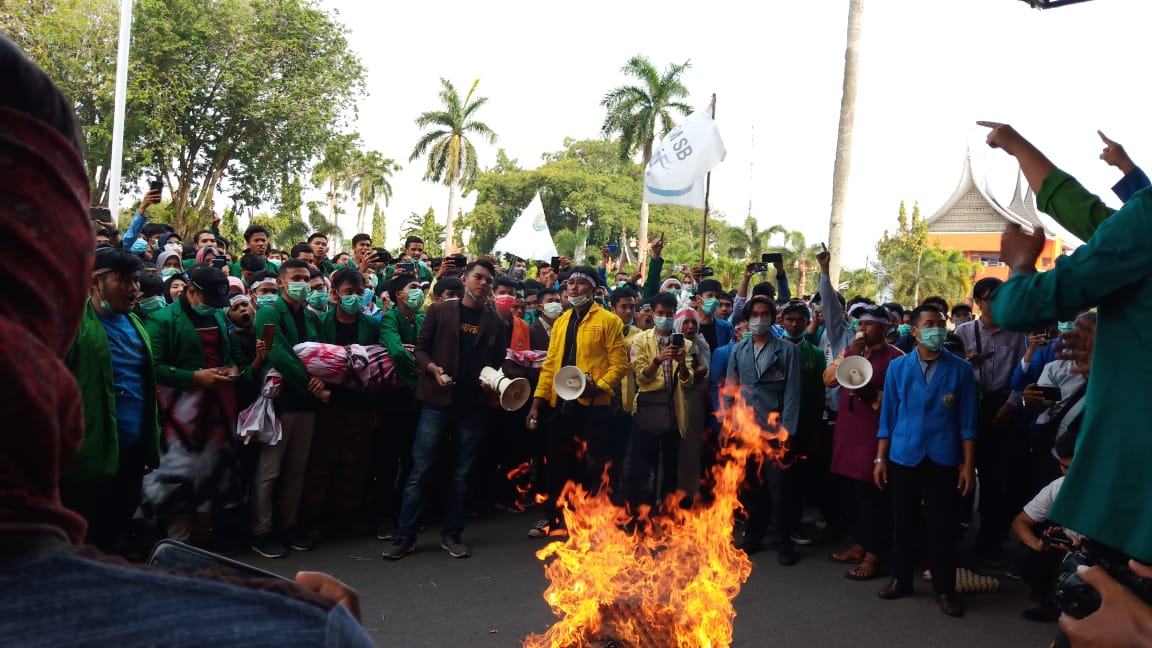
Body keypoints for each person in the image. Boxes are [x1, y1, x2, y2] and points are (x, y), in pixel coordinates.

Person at [980, 120, 1152, 576]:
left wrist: (1018, 265)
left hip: (1137, 476)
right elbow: (1097, 219)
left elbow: (1021, 308)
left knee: (1101, 609)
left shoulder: (1147, 218)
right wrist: (1018, 147)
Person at [382, 260, 505, 560]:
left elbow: (498, 359)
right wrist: (433, 368)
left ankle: (452, 534)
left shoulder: (496, 322)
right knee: (421, 469)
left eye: (489, 280)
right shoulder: (439, 311)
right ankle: (405, 535)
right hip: (436, 401)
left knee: (462, 474)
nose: (483, 283)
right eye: (478, 277)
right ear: (465, 279)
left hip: (473, 405)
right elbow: (420, 349)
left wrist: (493, 380)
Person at [874, 306, 977, 617]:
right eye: (929, 324)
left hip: (943, 457)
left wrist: (968, 465)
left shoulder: (960, 370)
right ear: (915, 331)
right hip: (904, 454)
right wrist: (880, 457)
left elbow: (968, 422)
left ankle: (945, 589)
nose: (937, 330)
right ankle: (901, 579)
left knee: (942, 525)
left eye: (940, 324)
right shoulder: (898, 368)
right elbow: (887, 416)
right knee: (902, 520)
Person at [61, 248, 161, 554]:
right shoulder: (73, 326)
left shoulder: (136, 324)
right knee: (87, 532)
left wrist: (148, 441)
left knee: (117, 523)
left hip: (131, 450)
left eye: (136, 281)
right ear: (95, 282)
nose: (134, 289)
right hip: (88, 452)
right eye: (124, 280)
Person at [141, 264, 244, 546]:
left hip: (216, 414)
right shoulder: (162, 320)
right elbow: (154, 367)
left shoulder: (219, 318)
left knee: (209, 482)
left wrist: (231, 367)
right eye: (209, 301)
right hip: (180, 418)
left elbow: (228, 351)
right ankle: (178, 552)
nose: (214, 308)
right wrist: (194, 377)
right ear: (191, 291)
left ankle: (202, 550)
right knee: (181, 486)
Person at [526, 266, 630, 539]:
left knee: (596, 465)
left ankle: (598, 521)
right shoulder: (561, 321)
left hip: (595, 407)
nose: (573, 288)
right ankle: (552, 517)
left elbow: (620, 365)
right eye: (569, 283)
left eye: (580, 283)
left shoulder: (609, 321)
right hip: (561, 405)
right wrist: (537, 403)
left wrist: (600, 387)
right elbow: (549, 366)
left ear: (594, 290)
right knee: (558, 464)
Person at [249, 258, 326, 558]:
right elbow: (274, 353)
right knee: (269, 471)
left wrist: (316, 383)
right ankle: (262, 531)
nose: (303, 284)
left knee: (297, 469)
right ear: (281, 282)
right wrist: (311, 383)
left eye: (306, 279)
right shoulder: (267, 313)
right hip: (279, 404)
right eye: (296, 278)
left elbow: (321, 355)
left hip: (306, 404)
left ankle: (290, 524)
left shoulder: (312, 318)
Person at [824, 304, 903, 578]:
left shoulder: (896, 358)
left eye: (870, 325)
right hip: (847, 432)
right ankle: (860, 544)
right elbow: (829, 380)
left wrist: (874, 396)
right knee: (852, 494)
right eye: (861, 324)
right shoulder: (850, 351)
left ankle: (873, 555)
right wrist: (851, 356)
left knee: (872, 496)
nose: (863, 329)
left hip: (874, 435)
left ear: (885, 327)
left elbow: (899, 401)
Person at [954, 277, 1029, 564]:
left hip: (1002, 406)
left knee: (996, 478)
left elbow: (1024, 375)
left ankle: (990, 539)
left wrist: (1010, 406)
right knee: (961, 470)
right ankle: (956, 534)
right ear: (978, 302)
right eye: (989, 299)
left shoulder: (1017, 334)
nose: (995, 305)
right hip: (969, 403)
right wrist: (965, 364)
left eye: (1001, 299)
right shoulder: (963, 332)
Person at [725, 296, 802, 565]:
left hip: (775, 430)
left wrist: (788, 432)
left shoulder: (787, 351)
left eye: (765, 313)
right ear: (747, 319)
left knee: (780, 490)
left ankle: (784, 542)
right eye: (755, 314)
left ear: (772, 317)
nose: (760, 318)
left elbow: (793, 393)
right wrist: (728, 424)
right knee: (750, 488)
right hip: (746, 430)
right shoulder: (739, 350)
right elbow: (730, 389)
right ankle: (753, 536)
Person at [626, 293, 694, 513]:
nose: (665, 317)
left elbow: (688, 380)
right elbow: (641, 378)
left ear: (675, 314)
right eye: (661, 313)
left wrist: (682, 363)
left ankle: (667, 508)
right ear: (653, 314)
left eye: (669, 313)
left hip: (674, 411)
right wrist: (658, 359)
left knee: (671, 465)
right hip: (648, 410)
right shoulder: (640, 340)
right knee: (646, 464)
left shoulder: (685, 343)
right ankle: (644, 510)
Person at [777, 301, 827, 547]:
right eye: (790, 320)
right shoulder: (771, 349)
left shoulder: (816, 354)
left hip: (804, 426)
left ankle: (793, 526)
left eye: (800, 320)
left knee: (797, 480)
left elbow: (818, 395)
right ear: (782, 322)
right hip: (773, 426)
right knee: (772, 480)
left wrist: (815, 429)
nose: (795, 324)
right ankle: (771, 526)